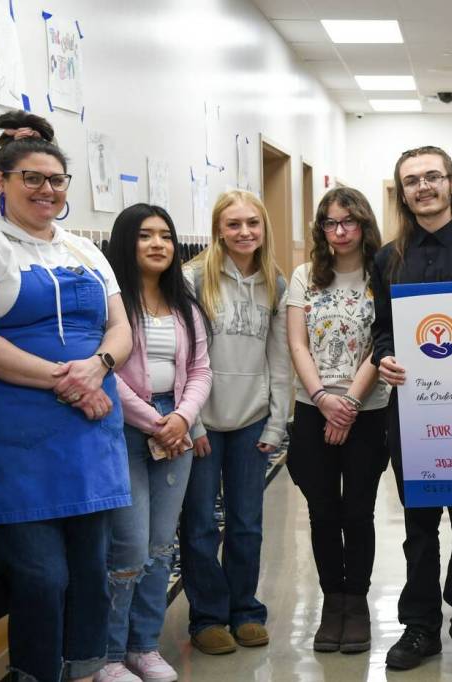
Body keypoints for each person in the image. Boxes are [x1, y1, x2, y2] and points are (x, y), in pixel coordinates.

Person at [0, 111, 132, 682]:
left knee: (91, 570)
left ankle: (86, 670)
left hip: (90, 436)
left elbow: (121, 330)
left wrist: (99, 367)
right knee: (41, 576)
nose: (47, 190)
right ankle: (35, 673)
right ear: (1, 181)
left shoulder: (87, 252)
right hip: (16, 441)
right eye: (32, 178)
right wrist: (70, 382)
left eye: (56, 179)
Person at [370, 146, 452, 674]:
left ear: (451, 184)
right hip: (413, 414)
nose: (422, 187)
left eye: (431, 177)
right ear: (403, 194)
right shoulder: (387, 258)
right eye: (411, 181)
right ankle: (420, 627)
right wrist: (384, 358)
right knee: (419, 527)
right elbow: (382, 327)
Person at [99, 204, 213, 682]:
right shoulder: (113, 303)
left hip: (177, 426)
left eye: (165, 235)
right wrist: (156, 422)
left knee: (161, 546)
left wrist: (182, 417)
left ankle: (144, 646)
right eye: (145, 235)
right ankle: (106, 654)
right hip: (125, 429)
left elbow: (202, 369)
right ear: (126, 242)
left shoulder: (184, 302)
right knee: (127, 546)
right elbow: (105, 373)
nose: (158, 244)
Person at [179, 190, 291, 655]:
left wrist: (276, 423)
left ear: (263, 228)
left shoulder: (275, 282)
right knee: (200, 523)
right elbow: (185, 356)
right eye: (233, 224)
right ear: (218, 230)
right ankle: (207, 616)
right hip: (202, 419)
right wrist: (193, 423)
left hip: (252, 420)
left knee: (247, 523)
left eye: (253, 223)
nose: (244, 232)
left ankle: (245, 609)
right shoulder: (189, 278)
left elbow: (279, 357)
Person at [285, 187, 390, 654]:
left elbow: (383, 342)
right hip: (313, 411)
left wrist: (348, 402)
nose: (340, 231)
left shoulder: (381, 273)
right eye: (331, 222)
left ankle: (358, 603)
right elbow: (297, 344)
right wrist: (322, 398)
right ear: (320, 229)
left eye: (349, 221)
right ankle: (333, 602)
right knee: (323, 512)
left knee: (358, 512)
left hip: (368, 413)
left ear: (364, 224)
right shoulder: (305, 276)